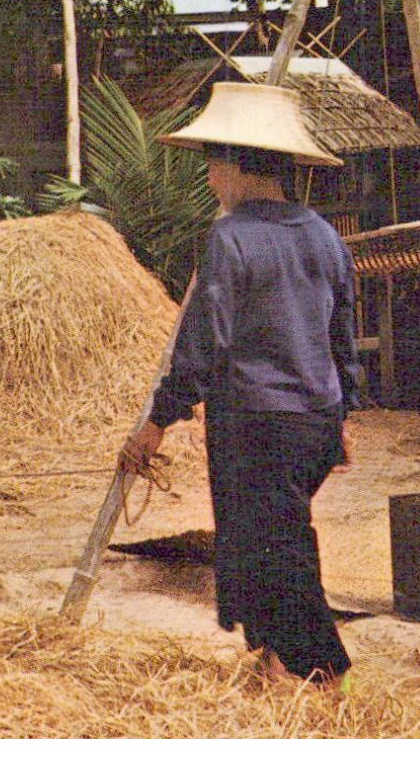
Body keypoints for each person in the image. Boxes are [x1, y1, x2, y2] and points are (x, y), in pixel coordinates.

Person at [118, 82, 360, 688]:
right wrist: (344, 415)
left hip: (258, 420)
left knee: (278, 547)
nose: (209, 179)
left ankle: (323, 670)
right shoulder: (325, 236)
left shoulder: (231, 237)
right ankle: (273, 657)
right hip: (314, 419)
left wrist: (156, 420)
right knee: (261, 539)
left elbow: (204, 344)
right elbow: (344, 339)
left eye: (211, 164)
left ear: (235, 166)